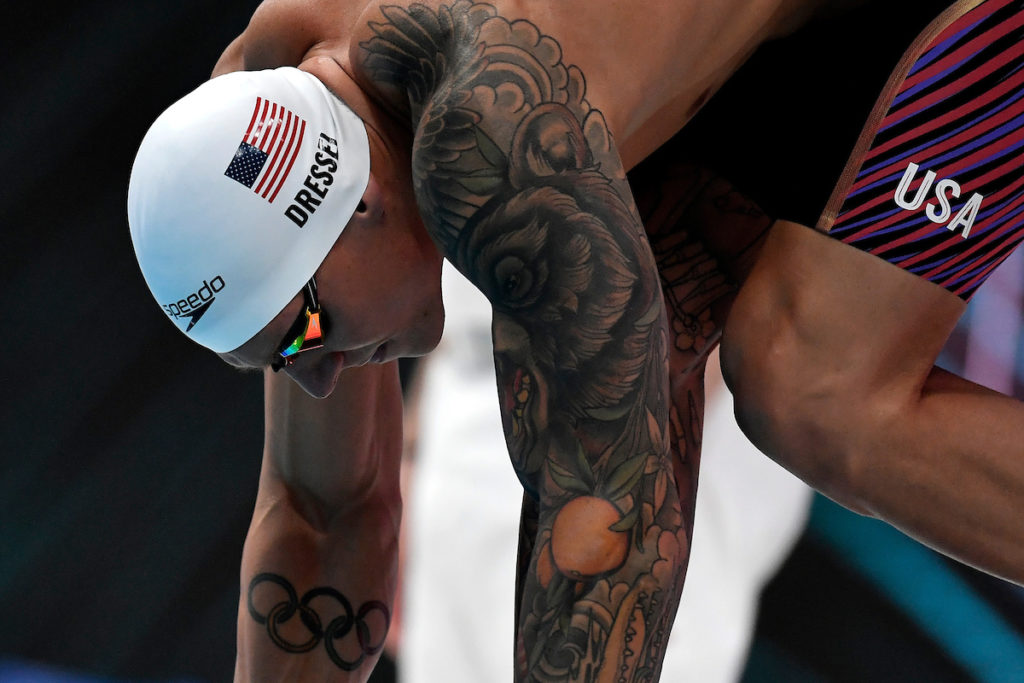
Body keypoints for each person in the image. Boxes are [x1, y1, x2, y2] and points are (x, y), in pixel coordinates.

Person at [125, 0, 1024, 680]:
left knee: (812, 392)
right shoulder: (264, 108)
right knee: (672, 319)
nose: (315, 380)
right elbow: (324, 512)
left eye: (309, 333)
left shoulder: (485, 137)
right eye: (278, 357)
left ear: (361, 204)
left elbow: (612, 527)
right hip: (767, 66)